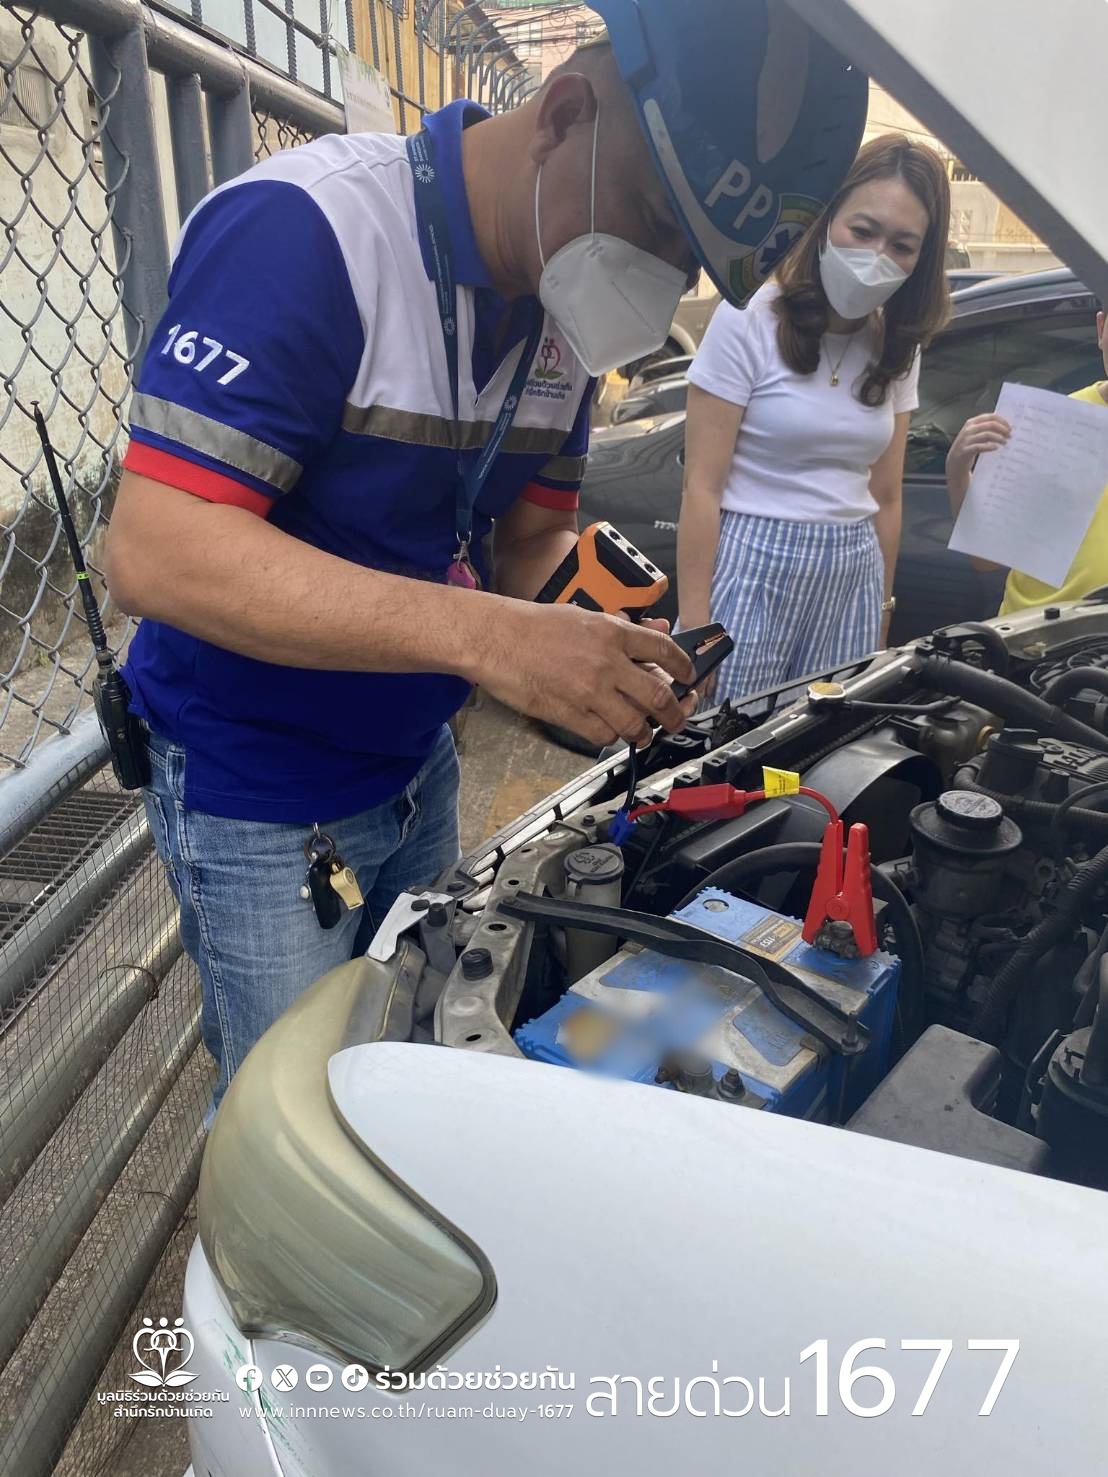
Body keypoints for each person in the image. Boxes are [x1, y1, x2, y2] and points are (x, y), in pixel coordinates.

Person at [103, 0, 868, 1120]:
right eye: (655, 221)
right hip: (259, 785)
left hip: (418, 762)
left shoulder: (561, 309)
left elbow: (531, 539)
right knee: (283, 1114)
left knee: (394, 1070)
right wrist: (493, 638)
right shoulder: (311, 232)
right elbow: (157, 549)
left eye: (688, 262)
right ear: (561, 114)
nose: (658, 276)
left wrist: (598, 637)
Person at [677, 134, 952, 705]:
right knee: (731, 736)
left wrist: (882, 611)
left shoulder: (898, 345)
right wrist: (696, 625)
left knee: (822, 742)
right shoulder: (749, 317)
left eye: (902, 245)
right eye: (863, 230)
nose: (877, 256)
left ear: (921, 259)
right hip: (753, 564)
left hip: (853, 574)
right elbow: (701, 487)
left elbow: (887, 496)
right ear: (827, 219)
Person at [946, 310, 1108, 613]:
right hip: (1041, 631)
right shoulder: (1052, 422)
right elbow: (986, 559)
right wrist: (957, 468)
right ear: (1101, 329)